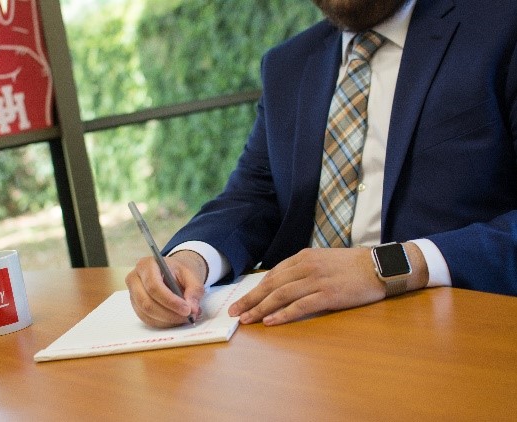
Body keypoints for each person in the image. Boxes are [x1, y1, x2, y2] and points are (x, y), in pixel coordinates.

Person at [125, 0, 517, 328]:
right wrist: (193, 259)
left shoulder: (502, 27)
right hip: (296, 340)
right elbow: (255, 195)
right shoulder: (287, 65)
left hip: (452, 329)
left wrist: (386, 267)